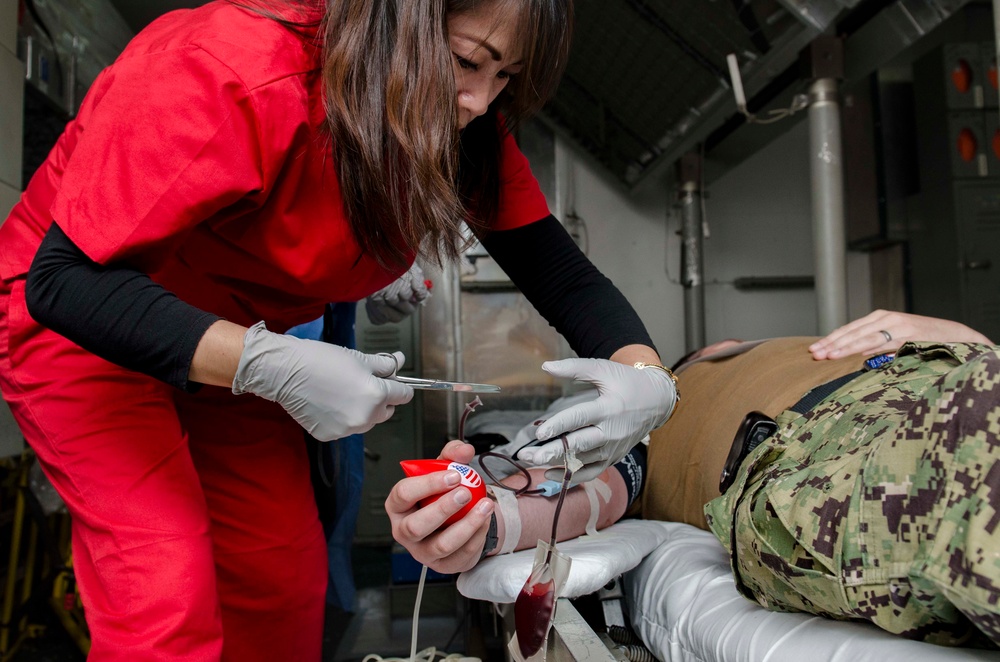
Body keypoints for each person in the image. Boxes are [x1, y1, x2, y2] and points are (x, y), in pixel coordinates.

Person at [0, 0, 679, 659]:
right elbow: (65, 282)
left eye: (506, 78)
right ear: (398, 16)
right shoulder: (233, 67)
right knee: (163, 589)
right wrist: (268, 364)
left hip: (229, 345)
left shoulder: (459, 124)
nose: (479, 100)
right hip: (84, 332)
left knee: (280, 581)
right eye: (470, 61)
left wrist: (648, 380)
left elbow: (560, 274)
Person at [386, 311, 1000, 649]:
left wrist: (971, 339)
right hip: (831, 453)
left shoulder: (826, 340)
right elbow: (591, 492)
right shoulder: (652, 425)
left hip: (947, 378)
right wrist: (484, 525)